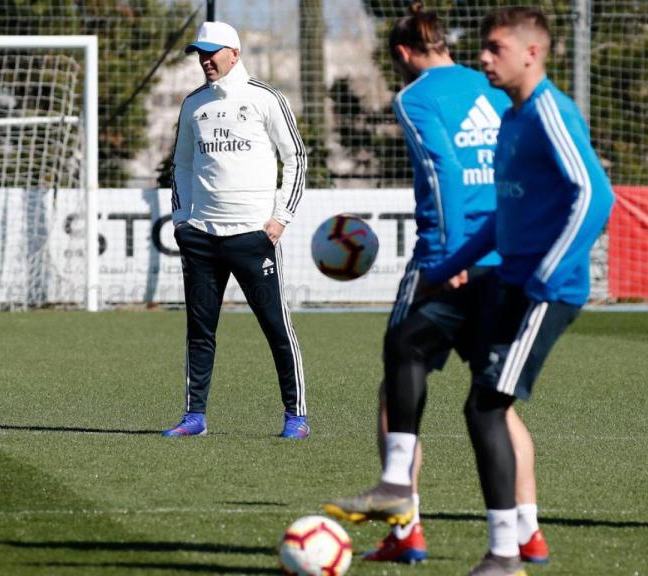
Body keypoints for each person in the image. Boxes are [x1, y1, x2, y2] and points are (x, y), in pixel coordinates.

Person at [323, 4, 548, 566]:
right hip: (508, 254)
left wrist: (448, 260)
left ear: (402, 54)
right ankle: (527, 532)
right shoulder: (494, 86)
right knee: (496, 403)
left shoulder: (415, 97)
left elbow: (445, 170)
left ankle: (405, 525)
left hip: (448, 259)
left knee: (398, 378)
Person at [162, 21, 309, 439]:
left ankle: (295, 415)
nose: (205, 59)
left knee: (277, 327)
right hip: (202, 238)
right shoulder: (193, 104)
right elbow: (183, 165)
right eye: (200, 53)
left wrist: (281, 218)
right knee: (199, 331)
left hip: (253, 238)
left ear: (235, 53)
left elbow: (296, 157)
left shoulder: (265, 98)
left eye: (212, 51)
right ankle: (195, 415)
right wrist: (181, 220)